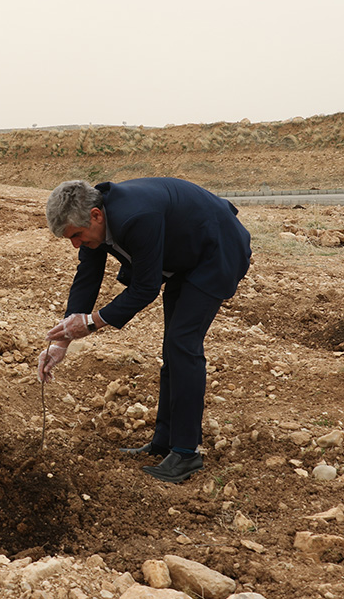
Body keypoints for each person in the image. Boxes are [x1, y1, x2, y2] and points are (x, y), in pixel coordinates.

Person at [39, 178, 251, 483]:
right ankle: (165, 442)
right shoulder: (96, 222)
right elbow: (87, 275)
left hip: (217, 251)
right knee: (173, 349)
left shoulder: (135, 217)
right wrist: (62, 341)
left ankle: (186, 454)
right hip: (185, 257)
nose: (75, 244)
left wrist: (91, 323)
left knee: (183, 345)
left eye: (76, 235)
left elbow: (146, 288)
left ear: (96, 216)